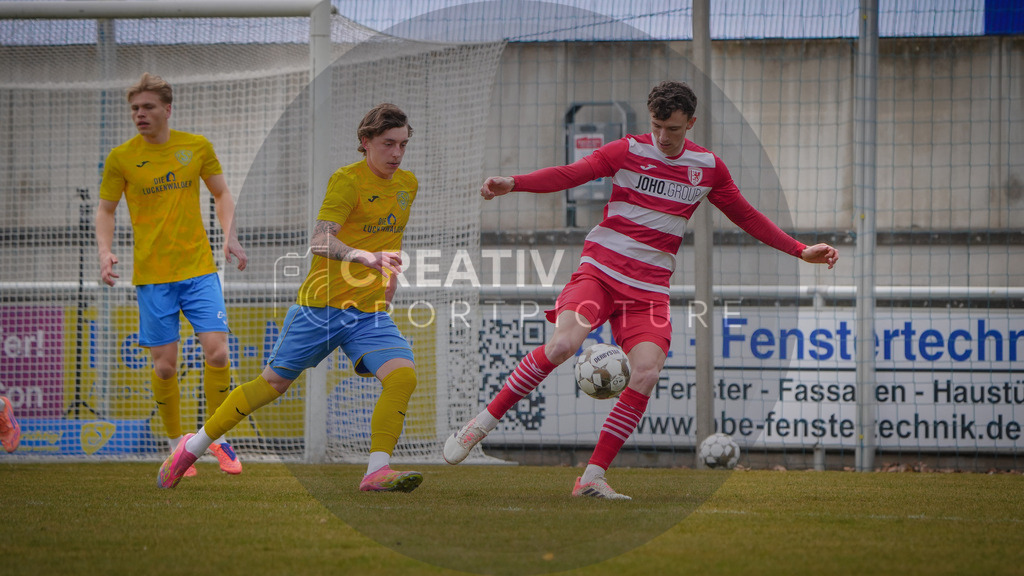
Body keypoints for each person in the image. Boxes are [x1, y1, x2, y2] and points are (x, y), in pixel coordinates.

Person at [444, 80, 839, 499]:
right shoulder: (627, 150)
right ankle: (481, 424)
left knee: (647, 371)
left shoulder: (708, 168)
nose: (663, 137)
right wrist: (515, 182)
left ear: (691, 123)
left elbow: (748, 215)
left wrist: (800, 250)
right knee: (563, 345)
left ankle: (592, 477)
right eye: (657, 126)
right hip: (599, 272)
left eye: (673, 129)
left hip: (648, 289)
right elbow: (570, 174)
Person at [157, 103, 423, 492]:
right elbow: (319, 240)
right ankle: (191, 447)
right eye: (388, 144)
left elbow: (387, 238)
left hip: (368, 312)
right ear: (365, 143)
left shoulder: (407, 185)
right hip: (321, 308)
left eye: (402, 144)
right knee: (272, 385)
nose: (397, 154)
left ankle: (376, 471)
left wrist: (388, 277)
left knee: (403, 376)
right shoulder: (347, 181)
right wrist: (363, 256)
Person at [96, 73, 248, 477]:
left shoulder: (196, 147)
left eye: (147, 107)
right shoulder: (121, 158)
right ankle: (175, 445)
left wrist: (229, 237)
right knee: (165, 366)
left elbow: (221, 192)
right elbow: (106, 209)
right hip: (152, 276)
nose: (139, 114)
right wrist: (105, 251)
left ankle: (216, 437)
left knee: (218, 351)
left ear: (167, 109)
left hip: (199, 269)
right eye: (134, 108)